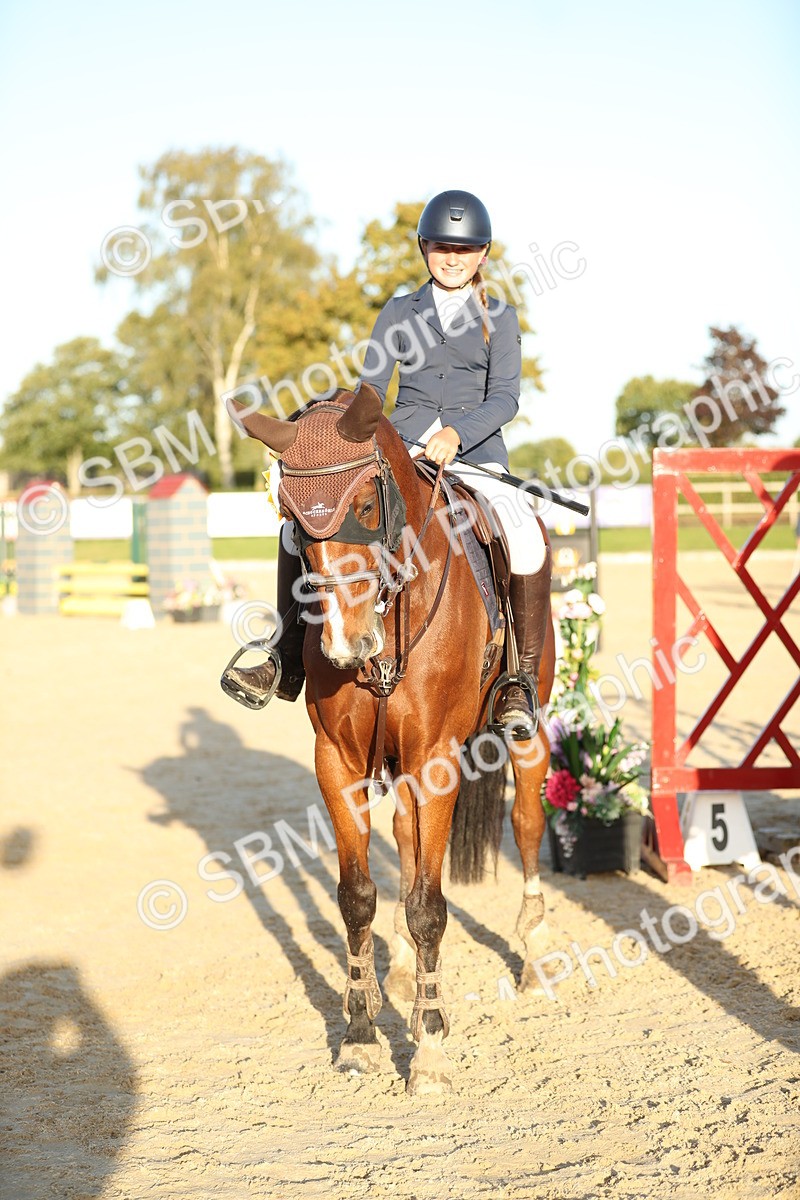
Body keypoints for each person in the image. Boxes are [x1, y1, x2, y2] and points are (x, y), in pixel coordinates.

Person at [221, 189, 551, 739]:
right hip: (402, 448)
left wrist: (457, 433)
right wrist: (329, 442)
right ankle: (284, 656)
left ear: (483, 254)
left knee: (527, 536)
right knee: (299, 528)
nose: (453, 258)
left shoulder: (501, 316)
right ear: (425, 248)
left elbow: (506, 399)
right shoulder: (399, 311)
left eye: (465, 250)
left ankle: (518, 678)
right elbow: (371, 390)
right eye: (443, 247)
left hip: (477, 454)